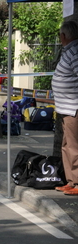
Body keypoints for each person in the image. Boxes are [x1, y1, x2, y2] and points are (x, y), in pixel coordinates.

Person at [52, 20, 78, 196]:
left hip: (73, 108)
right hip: (65, 108)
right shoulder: (69, 50)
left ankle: (77, 182)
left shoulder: (75, 51)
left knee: (73, 146)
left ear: (63, 36)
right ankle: (71, 181)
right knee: (66, 145)